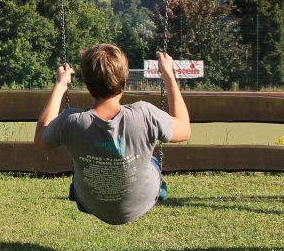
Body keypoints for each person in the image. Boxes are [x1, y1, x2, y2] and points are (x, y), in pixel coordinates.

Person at [34, 44, 191, 225]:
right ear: (124, 81)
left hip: (91, 202)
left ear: (86, 83)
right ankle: (153, 187)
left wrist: (60, 85)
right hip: (142, 200)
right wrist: (168, 75)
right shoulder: (145, 114)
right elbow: (184, 130)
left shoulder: (72, 121)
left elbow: (41, 139)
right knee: (152, 161)